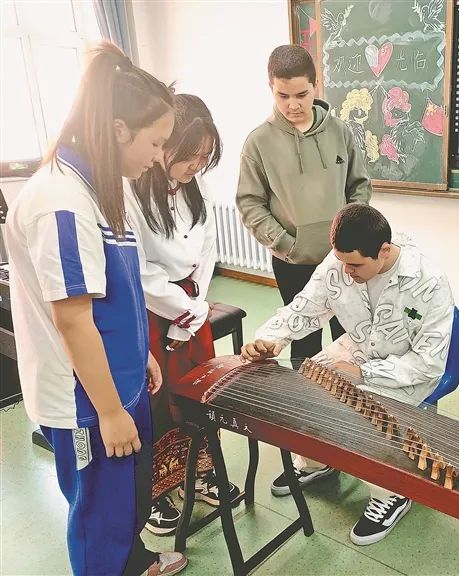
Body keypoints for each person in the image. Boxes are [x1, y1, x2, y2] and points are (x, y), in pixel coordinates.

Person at [6, 43, 187, 575]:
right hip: (85, 400)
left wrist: (143, 353)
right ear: (117, 130)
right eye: (156, 142)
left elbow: (119, 289)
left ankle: (134, 563)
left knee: (127, 498)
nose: (159, 156)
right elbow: (72, 318)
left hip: (119, 377)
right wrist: (109, 411)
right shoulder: (60, 199)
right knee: (97, 518)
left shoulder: (103, 186)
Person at [241, 204, 455, 546]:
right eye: (342, 262)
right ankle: (316, 463)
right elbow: (306, 306)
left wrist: (362, 371)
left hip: (404, 369)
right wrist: (270, 338)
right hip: (357, 347)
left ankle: (392, 493)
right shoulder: (339, 263)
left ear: (384, 251)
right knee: (308, 386)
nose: (346, 271)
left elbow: (429, 363)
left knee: (359, 412)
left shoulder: (427, 282)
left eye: (355, 265)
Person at [127, 93, 240, 536]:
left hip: (190, 308)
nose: (198, 165)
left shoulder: (198, 187)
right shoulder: (130, 190)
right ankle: (157, 491)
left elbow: (208, 251)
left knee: (199, 392)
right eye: (191, 154)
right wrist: (179, 309)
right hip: (154, 311)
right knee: (157, 400)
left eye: (205, 157)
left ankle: (202, 471)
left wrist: (194, 307)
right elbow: (139, 270)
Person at [236, 44, 372, 360]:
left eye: (301, 94)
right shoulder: (259, 142)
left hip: (343, 258)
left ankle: (347, 404)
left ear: (315, 86)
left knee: (350, 335)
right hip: (292, 261)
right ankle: (306, 406)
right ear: (271, 88)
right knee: (303, 338)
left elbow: (359, 186)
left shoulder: (339, 131)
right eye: (283, 96)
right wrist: (286, 244)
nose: (293, 104)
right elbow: (250, 202)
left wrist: (354, 238)